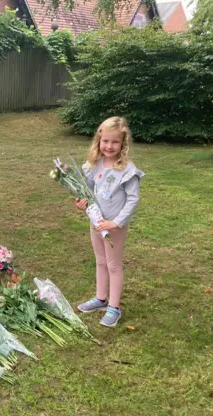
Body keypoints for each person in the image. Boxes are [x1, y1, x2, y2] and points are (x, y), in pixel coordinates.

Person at [75, 117, 144, 327]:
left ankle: (114, 307)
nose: (109, 146)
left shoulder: (126, 169)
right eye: (105, 141)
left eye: (115, 142)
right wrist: (82, 203)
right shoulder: (94, 165)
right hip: (96, 223)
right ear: (99, 141)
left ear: (123, 144)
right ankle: (100, 299)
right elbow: (86, 191)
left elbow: (133, 198)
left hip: (114, 227)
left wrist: (116, 223)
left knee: (113, 265)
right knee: (100, 261)